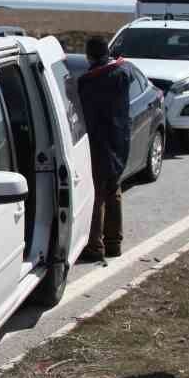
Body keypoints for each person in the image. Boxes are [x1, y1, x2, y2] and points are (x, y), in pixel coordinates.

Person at [77, 35, 131, 263]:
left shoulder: (89, 82)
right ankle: (114, 243)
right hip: (119, 138)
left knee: (97, 194)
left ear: (90, 55)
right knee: (114, 190)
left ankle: (94, 246)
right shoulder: (122, 73)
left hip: (98, 142)